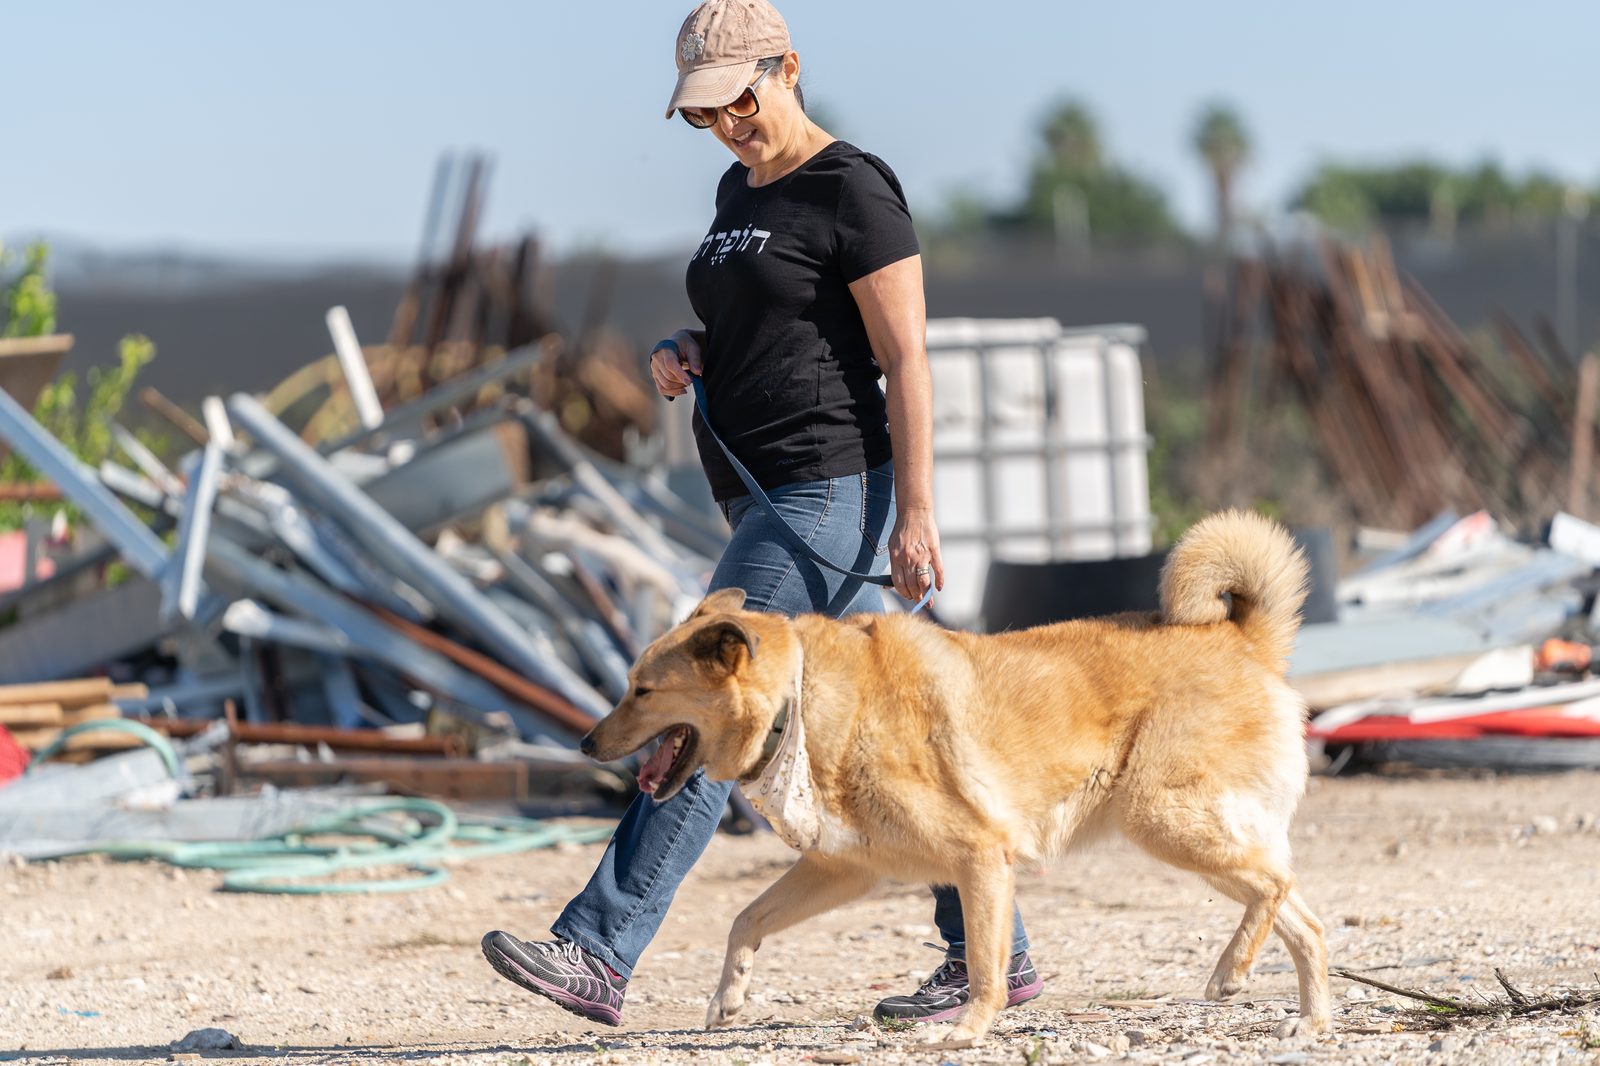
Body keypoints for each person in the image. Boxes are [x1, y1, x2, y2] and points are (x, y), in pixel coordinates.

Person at [481, 0, 1040, 1028]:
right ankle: (989, 952)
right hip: (763, 494)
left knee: (711, 705)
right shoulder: (736, 187)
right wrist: (691, 349)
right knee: (884, 728)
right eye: (703, 113)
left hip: (829, 491)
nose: (727, 125)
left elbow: (905, 358)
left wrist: (915, 512)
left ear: (788, 68)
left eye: (738, 100)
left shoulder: (853, 188)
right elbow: (762, 319)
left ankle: (596, 948)